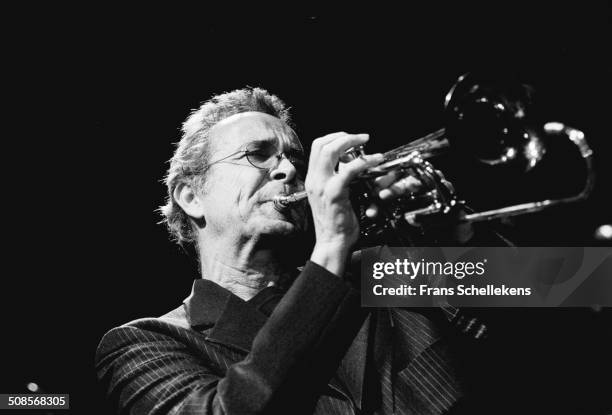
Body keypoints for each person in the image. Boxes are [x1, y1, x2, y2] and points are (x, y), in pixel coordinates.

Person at [95, 87, 467, 414]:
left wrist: (460, 236)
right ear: (192, 196)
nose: (288, 169)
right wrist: (332, 246)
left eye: (297, 161)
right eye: (257, 153)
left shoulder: (380, 271)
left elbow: (523, 285)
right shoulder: (145, 342)